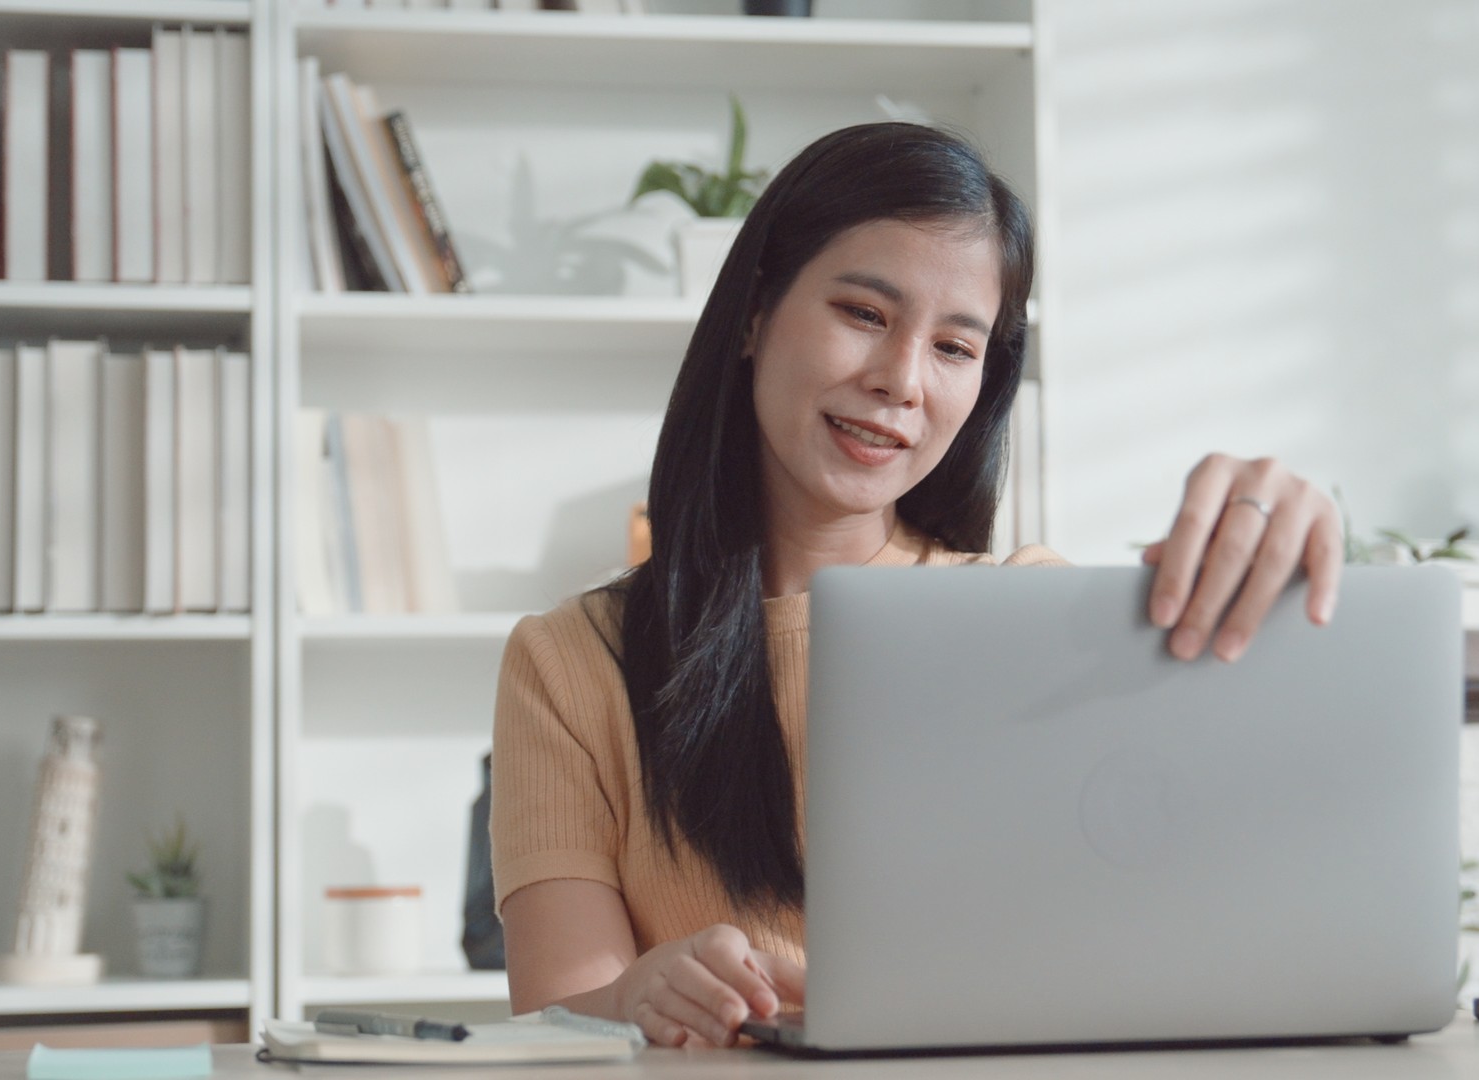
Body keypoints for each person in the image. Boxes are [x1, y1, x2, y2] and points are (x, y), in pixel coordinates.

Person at [491, 122, 1343, 1049]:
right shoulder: (572, 662)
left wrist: (1281, 555)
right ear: (754, 313)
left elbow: (1202, 911)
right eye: (863, 313)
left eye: (954, 348)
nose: (902, 380)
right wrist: (638, 996)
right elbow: (558, 1013)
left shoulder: (1036, 617)